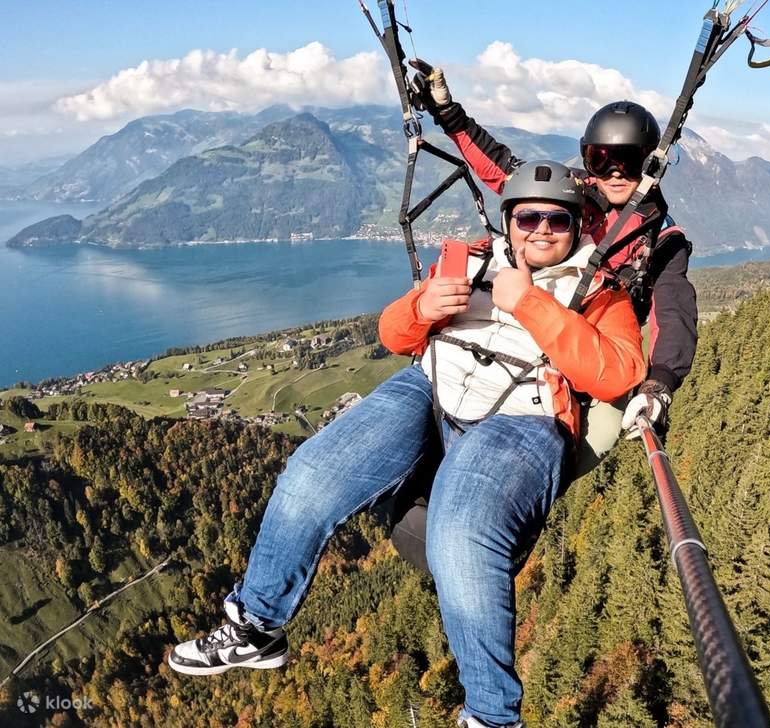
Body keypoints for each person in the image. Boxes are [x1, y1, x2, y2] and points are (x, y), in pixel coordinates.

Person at [167, 161, 645, 728]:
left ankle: (493, 716)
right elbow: (392, 335)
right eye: (527, 217)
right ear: (508, 220)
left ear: (577, 224)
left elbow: (616, 373)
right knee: (312, 473)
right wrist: (422, 308)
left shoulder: (597, 291)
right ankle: (255, 625)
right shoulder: (468, 261)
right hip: (430, 385)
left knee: (462, 533)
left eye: (556, 220)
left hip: (523, 418)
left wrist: (528, 304)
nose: (540, 230)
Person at [409, 61, 698, 450]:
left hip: (592, 341)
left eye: (629, 161)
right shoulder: (574, 191)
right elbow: (505, 172)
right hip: (531, 317)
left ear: (652, 163)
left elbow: (673, 312)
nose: (614, 172)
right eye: (600, 159)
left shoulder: (662, 239)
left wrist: (659, 383)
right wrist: (448, 113)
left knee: (600, 435)